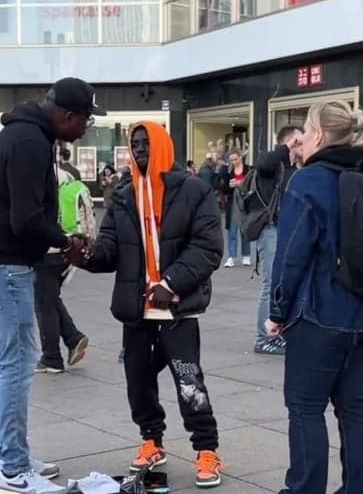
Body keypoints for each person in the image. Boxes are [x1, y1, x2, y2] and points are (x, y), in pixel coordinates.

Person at [72, 122, 225, 488]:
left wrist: (169, 282)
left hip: (177, 307)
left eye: (146, 143)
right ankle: (151, 441)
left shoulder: (193, 191)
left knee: (188, 379)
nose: (139, 150)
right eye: (134, 144)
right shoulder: (124, 196)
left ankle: (206, 448)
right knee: (138, 381)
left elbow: (207, 248)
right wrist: (85, 254)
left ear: (162, 146)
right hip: (136, 309)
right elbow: (110, 250)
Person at [264, 101, 363, 494]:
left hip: (322, 314)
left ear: (319, 135)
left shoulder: (309, 181)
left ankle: (304, 489)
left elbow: (291, 255)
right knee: (356, 406)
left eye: (306, 127)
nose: (300, 135)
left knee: (305, 407)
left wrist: (277, 310)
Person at [0, 77, 101, 493]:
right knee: (17, 366)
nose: (85, 130)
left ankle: (14, 455)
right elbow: (24, 217)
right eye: (86, 122)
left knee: (13, 364)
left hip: (10, 265)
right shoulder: (29, 142)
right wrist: (67, 241)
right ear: (68, 115)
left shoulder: (22, 133)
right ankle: (12, 468)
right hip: (10, 269)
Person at [34, 166, 90, 374]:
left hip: (48, 249)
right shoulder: (64, 174)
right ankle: (73, 338)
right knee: (50, 299)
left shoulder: (37, 174)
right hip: (68, 247)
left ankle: (51, 357)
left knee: (44, 305)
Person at [252, 125, 303, 356]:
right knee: (271, 283)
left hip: (285, 230)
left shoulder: (294, 168)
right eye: (298, 141)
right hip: (271, 230)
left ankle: (277, 333)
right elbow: (263, 163)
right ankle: (263, 339)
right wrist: (286, 147)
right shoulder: (274, 166)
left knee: (281, 283)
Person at [219, 149, 252, 268]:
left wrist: (242, 183)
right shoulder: (228, 171)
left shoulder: (249, 169)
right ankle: (231, 256)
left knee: (245, 229)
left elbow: (253, 184)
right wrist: (229, 185)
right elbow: (222, 187)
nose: (234, 162)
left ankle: (246, 255)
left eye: (236, 159)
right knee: (232, 230)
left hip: (245, 201)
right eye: (231, 160)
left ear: (240, 157)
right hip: (233, 202)